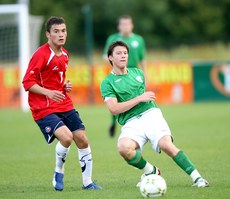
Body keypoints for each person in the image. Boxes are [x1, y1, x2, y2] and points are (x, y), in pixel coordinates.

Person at [100, 41, 209, 188]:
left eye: (125, 53)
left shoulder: (138, 73)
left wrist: (140, 99)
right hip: (131, 122)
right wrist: (139, 98)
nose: (123, 56)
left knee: (166, 145)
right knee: (123, 148)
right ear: (110, 58)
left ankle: (198, 178)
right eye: (118, 53)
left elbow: (141, 99)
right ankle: (151, 171)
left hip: (151, 114)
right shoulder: (107, 82)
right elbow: (114, 109)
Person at [22, 16, 102, 191]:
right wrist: (49, 92)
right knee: (66, 137)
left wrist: (64, 86)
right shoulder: (41, 55)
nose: (61, 34)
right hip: (43, 107)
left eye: (63, 31)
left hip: (64, 103)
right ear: (48, 35)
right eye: (56, 31)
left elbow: (56, 79)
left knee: (82, 139)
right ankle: (58, 170)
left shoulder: (65, 54)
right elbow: (27, 82)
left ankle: (87, 183)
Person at [103, 15, 147, 137]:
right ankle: (114, 121)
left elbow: (142, 59)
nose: (125, 27)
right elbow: (105, 55)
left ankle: (140, 124)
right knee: (116, 101)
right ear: (119, 26)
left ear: (132, 25)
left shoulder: (139, 40)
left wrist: (145, 75)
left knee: (138, 100)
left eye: (128, 24)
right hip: (118, 75)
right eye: (123, 24)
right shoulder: (113, 39)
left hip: (134, 74)